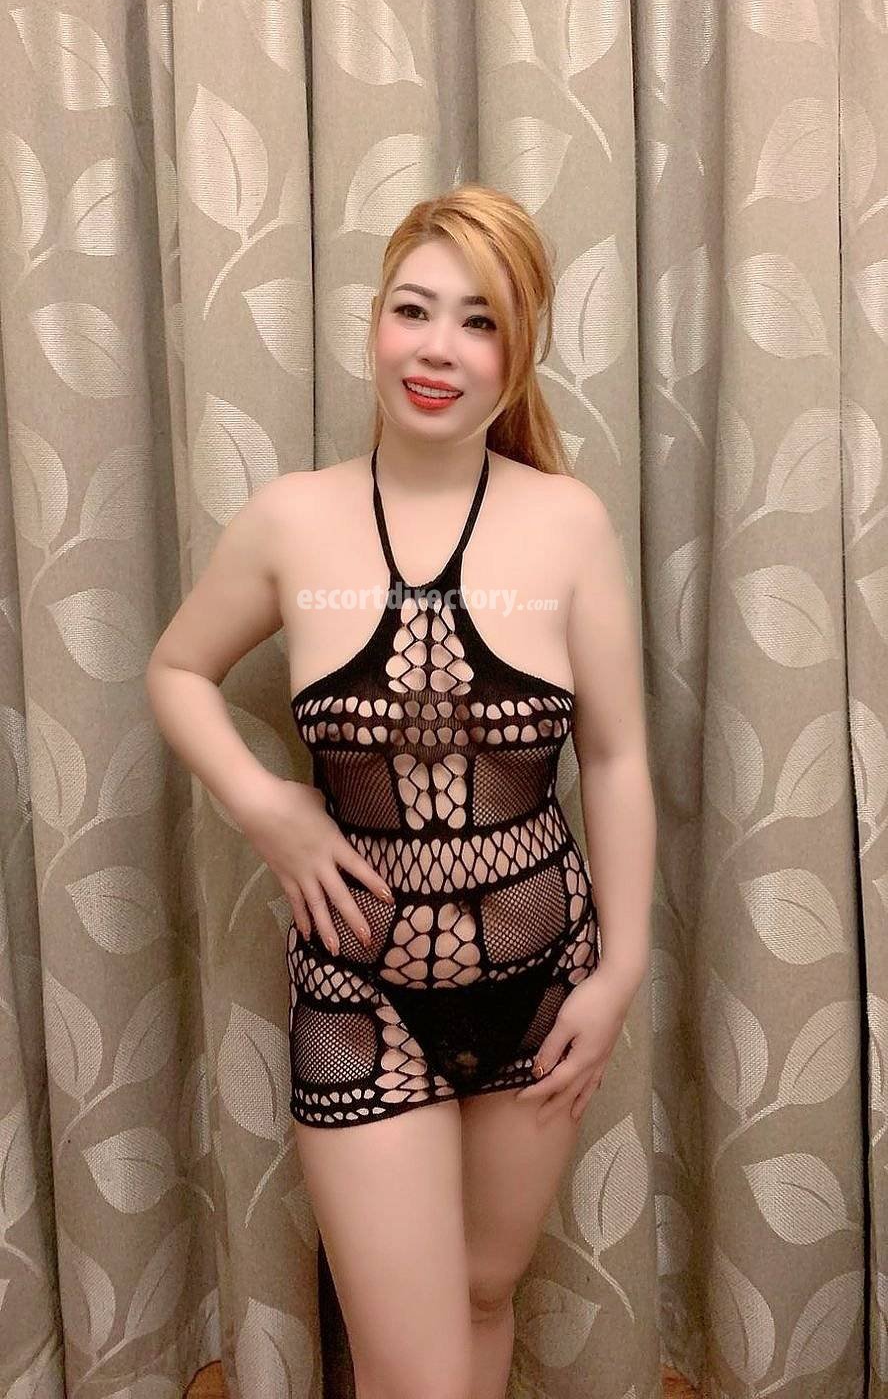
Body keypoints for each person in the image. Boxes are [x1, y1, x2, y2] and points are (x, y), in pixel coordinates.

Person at [146, 183, 655, 1399]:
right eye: (413, 309)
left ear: (517, 352)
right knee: (411, 1367)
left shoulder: (570, 525)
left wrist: (621, 972)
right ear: (375, 320)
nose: (437, 348)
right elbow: (175, 669)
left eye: (479, 322)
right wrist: (266, 803)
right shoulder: (291, 521)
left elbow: (617, 758)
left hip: (546, 978)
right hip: (357, 988)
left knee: (481, 1293)